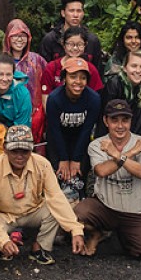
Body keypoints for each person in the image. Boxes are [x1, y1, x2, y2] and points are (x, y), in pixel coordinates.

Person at [0, 125, 87, 265]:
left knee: (55, 209)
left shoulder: (42, 164)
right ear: (5, 148)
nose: (19, 156)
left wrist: (76, 229)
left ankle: (39, 247)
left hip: (34, 210)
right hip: (5, 216)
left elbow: (56, 198)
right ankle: (5, 247)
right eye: (14, 151)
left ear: (32, 148)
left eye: (24, 151)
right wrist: (2, 241)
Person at [75, 100, 141, 262]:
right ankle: (96, 233)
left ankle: (127, 235)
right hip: (104, 206)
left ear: (131, 121)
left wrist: (118, 154)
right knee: (75, 215)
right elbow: (101, 171)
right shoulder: (97, 144)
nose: (120, 126)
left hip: (135, 212)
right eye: (114, 120)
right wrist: (132, 153)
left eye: (125, 120)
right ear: (105, 121)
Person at [0, 19, 48, 151]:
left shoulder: (37, 60)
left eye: (23, 36)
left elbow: (48, 83)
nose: (19, 39)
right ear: (8, 38)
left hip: (34, 116)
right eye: (15, 36)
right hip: (2, 116)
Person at [46, 57, 102, 198]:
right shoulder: (54, 98)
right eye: (73, 77)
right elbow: (54, 130)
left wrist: (76, 160)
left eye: (83, 78)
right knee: (60, 176)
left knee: (78, 176)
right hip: (58, 140)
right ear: (64, 78)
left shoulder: (93, 98)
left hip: (80, 140)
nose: (78, 81)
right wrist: (63, 159)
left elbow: (87, 129)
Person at [99, 50, 141, 144]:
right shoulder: (114, 84)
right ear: (124, 68)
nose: (138, 71)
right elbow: (104, 118)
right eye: (134, 66)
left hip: (139, 139)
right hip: (113, 139)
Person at [38, 0, 105, 71]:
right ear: (63, 13)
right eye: (71, 11)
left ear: (83, 13)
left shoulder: (92, 40)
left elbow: (98, 71)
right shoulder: (51, 39)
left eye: (79, 11)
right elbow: (43, 70)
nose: (75, 15)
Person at [40, 26, 105, 96]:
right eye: (71, 44)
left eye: (79, 44)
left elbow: (96, 97)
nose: (75, 48)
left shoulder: (90, 69)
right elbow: (45, 96)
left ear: (85, 45)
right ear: (63, 44)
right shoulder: (52, 67)